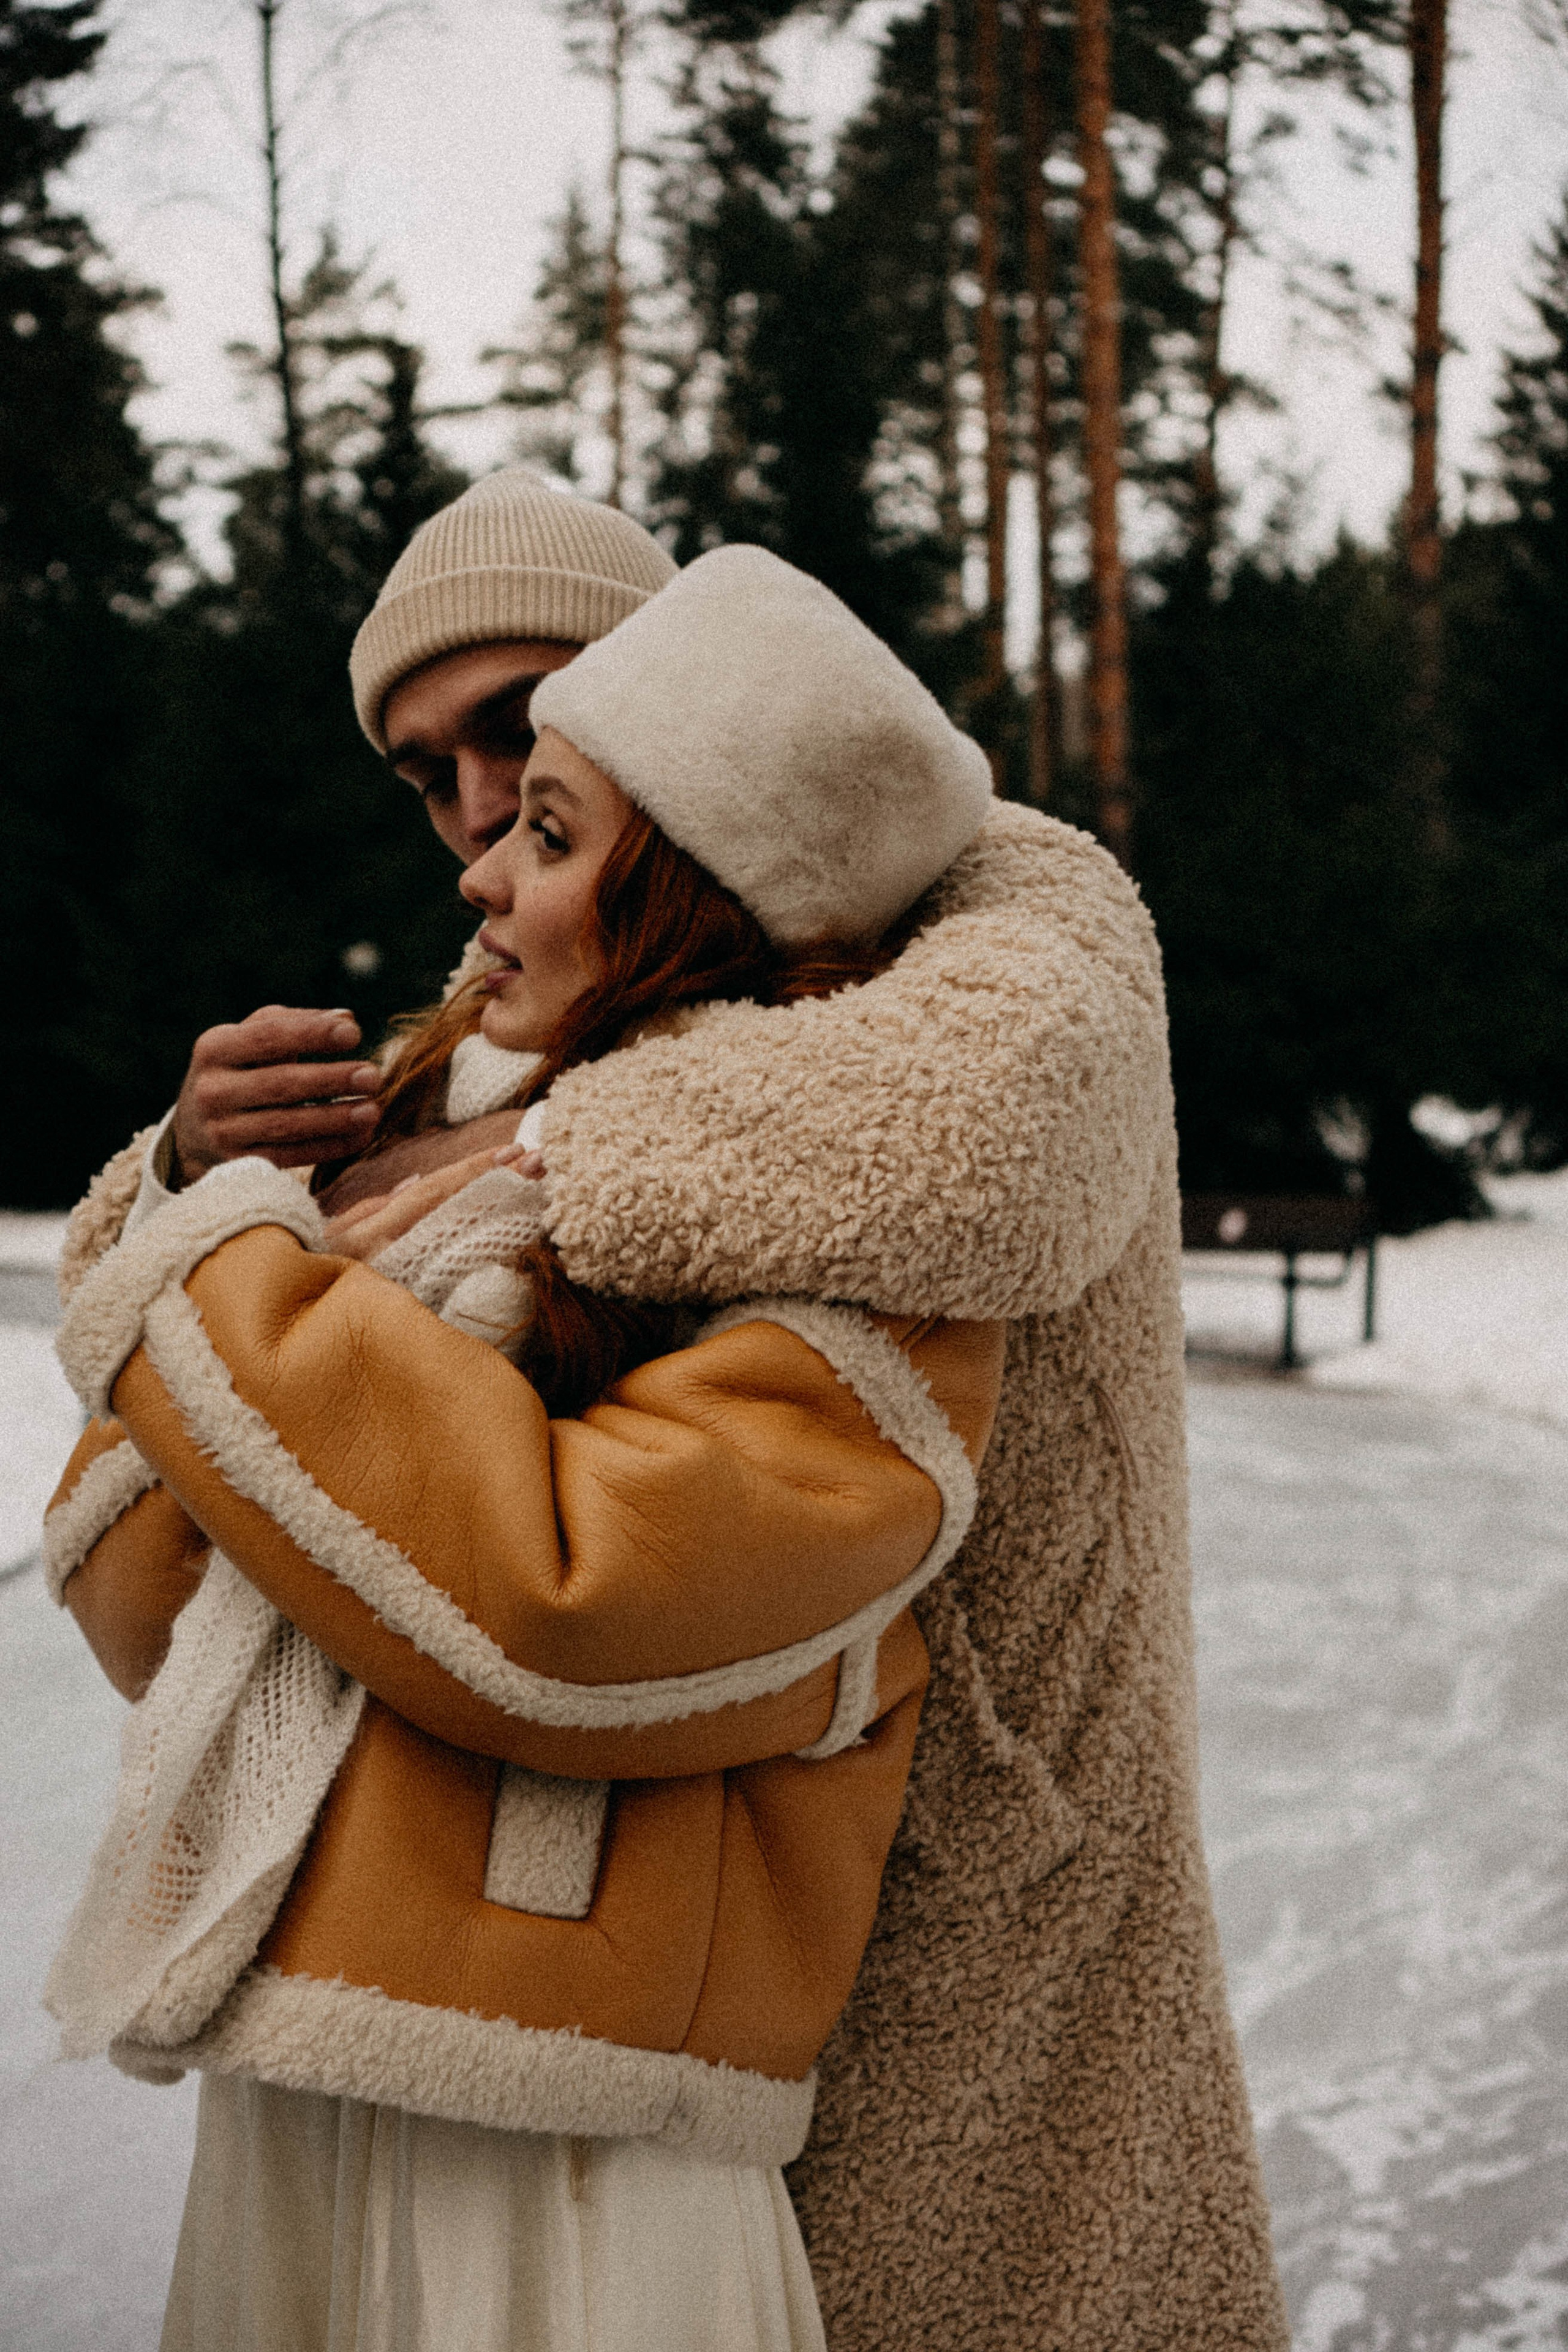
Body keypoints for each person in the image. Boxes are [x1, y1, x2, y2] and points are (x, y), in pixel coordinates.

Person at [51, 491, 1289, 2349]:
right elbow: (218, 1395)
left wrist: (513, 1155)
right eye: (426, 772)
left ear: (683, 686)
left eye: (518, 735)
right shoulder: (538, 994)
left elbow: (993, 1135)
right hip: (595, 1946)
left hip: (963, 1897)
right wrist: (189, 1172)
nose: (470, 809)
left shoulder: (992, 882)